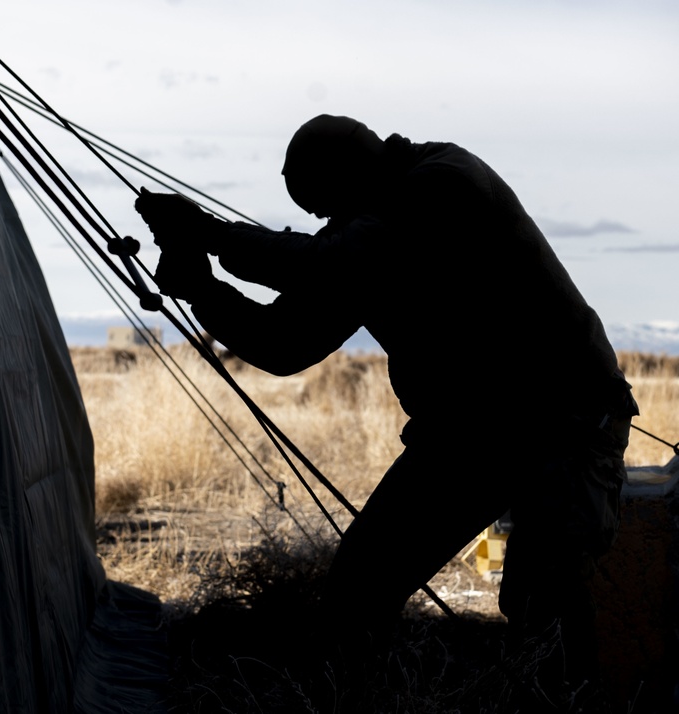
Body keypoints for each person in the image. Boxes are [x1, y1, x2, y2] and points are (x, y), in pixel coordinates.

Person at [134, 115, 638, 689]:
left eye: (329, 207)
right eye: (320, 216)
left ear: (358, 174)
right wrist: (204, 288)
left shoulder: (444, 180)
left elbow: (338, 260)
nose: (328, 222)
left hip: (563, 428)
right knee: (360, 585)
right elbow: (285, 343)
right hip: (470, 438)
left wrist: (214, 236)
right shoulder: (364, 232)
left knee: (541, 600)